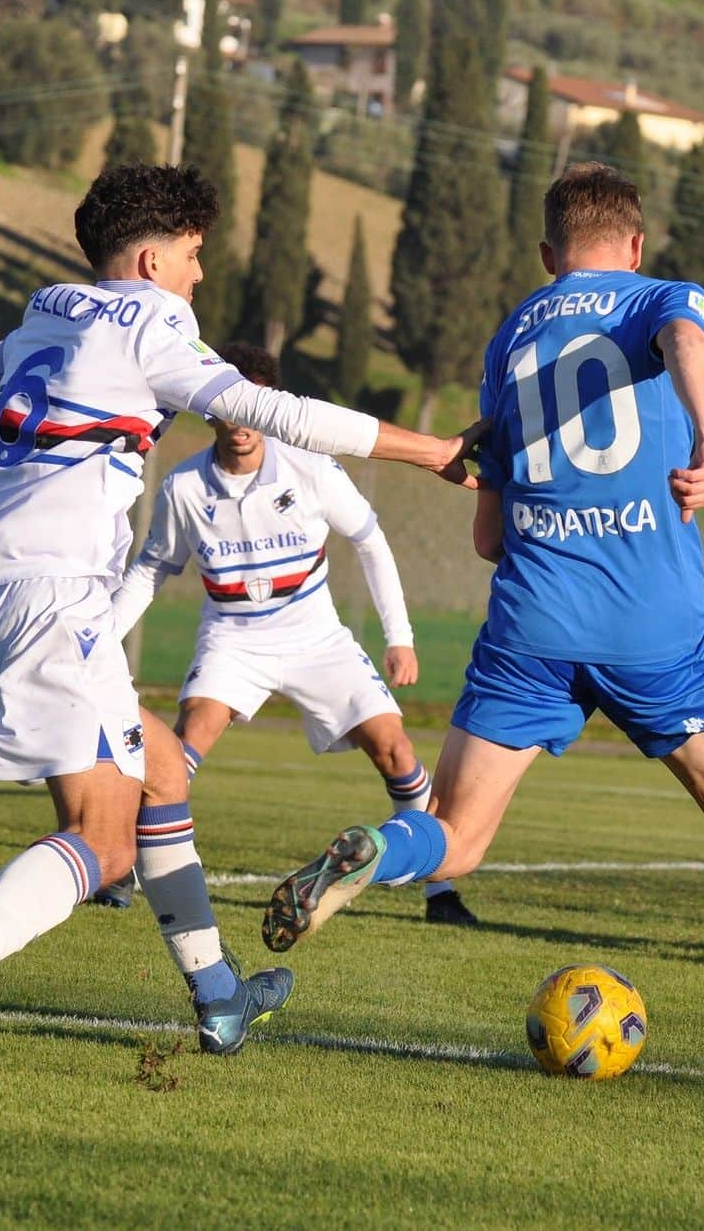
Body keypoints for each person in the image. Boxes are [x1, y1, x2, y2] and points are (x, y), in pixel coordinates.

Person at [261, 162, 704, 1073]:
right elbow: (689, 337)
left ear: (547, 255)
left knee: (456, 835)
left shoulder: (508, 343)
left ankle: (380, 847)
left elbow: (489, 538)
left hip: (531, 624)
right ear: (636, 243)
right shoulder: (662, 296)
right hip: (651, 623)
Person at [0, 163, 482, 1055]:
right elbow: (277, 411)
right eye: (193, 255)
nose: (199, 277)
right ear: (146, 259)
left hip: (1, 589)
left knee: (164, 770)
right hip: (52, 597)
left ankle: (218, 999)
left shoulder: (37, 321)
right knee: (104, 841)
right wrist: (429, 450)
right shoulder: (149, 321)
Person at [104, 342, 477, 927]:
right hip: (232, 640)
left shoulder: (309, 468)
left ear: (270, 407)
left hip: (317, 639)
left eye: (255, 408)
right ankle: (120, 865)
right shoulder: (184, 488)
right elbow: (152, 570)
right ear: (212, 409)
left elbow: (370, 539)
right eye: (230, 408)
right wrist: (100, 640)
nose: (241, 422)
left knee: (395, 748)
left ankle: (440, 891)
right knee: (183, 745)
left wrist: (399, 636)